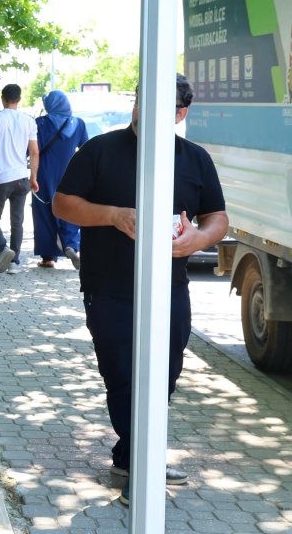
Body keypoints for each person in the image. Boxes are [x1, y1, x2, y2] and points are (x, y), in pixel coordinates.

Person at [53, 74, 227, 505]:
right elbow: (63, 203)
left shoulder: (195, 159)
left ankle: (132, 455)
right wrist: (114, 216)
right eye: (139, 100)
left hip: (171, 289)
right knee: (124, 376)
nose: (141, 110)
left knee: (163, 376)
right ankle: (141, 465)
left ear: (180, 114)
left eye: (157, 104)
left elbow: (218, 218)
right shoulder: (99, 150)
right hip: (109, 288)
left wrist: (198, 240)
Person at [0, 84, 39, 274]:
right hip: (21, 178)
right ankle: (15, 263)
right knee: (17, 221)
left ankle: (4, 249)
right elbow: (34, 151)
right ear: (19, 99)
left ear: (3, 99)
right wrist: (34, 177)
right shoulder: (29, 121)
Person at [33, 91, 88, 269]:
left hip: (44, 174)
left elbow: (34, 150)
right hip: (70, 174)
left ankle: (48, 257)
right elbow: (85, 148)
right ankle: (71, 245)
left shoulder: (41, 123)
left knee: (44, 213)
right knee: (70, 208)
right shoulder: (79, 124)